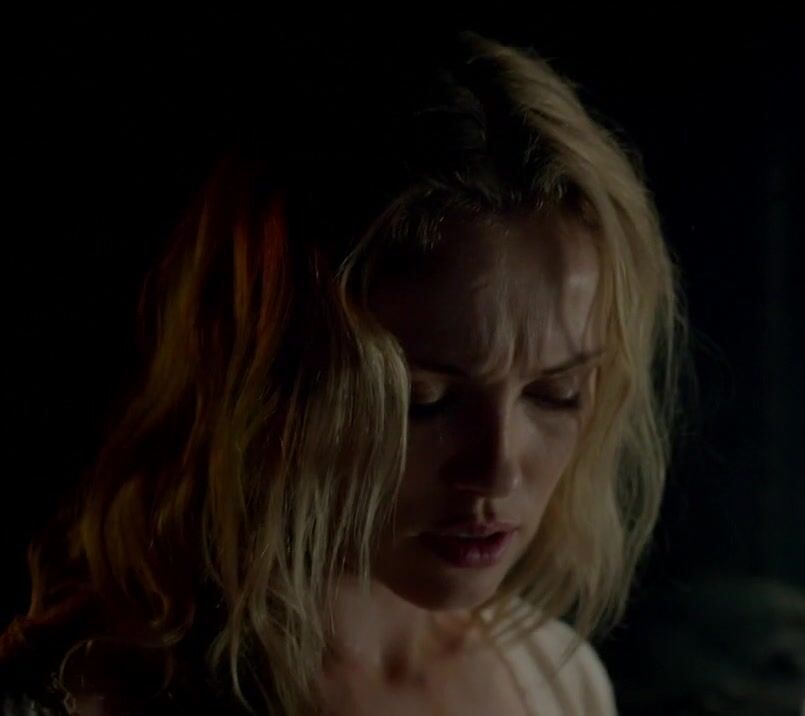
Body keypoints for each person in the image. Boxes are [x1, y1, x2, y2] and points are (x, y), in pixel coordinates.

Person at [0, 33, 681, 715]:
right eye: (423, 402)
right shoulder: (98, 696)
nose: (498, 471)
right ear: (268, 385)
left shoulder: (556, 682)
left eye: (558, 394)